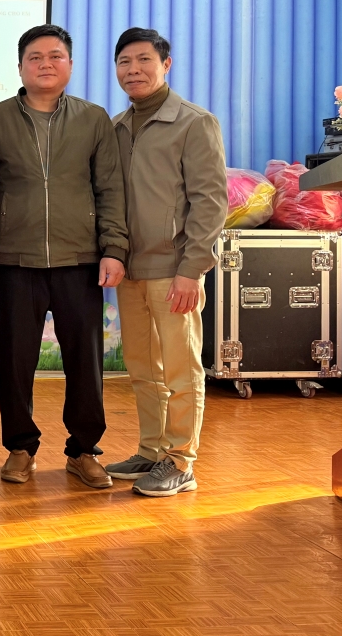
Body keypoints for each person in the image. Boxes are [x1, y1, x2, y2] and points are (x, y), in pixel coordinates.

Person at [0, 24, 129, 489]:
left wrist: (113, 250)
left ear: (70, 65)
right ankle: (20, 448)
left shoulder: (94, 119)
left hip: (80, 260)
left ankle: (84, 450)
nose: (45, 64)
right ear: (20, 66)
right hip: (16, 261)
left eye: (55, 56)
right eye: (35, 57)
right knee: (15, 361)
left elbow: (110, 190)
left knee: (86, 361)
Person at [106, 27, 227, 497]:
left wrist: (191, 269)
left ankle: (181, 461)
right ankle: (151, 449)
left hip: (175, 271)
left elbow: (210, 202)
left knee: (180, 369)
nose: (133, 70)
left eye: (144, 60)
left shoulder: (194, 122)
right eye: (124, 62)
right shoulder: (117, 127)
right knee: (142, 368)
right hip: (130, 270)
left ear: (166, 65)